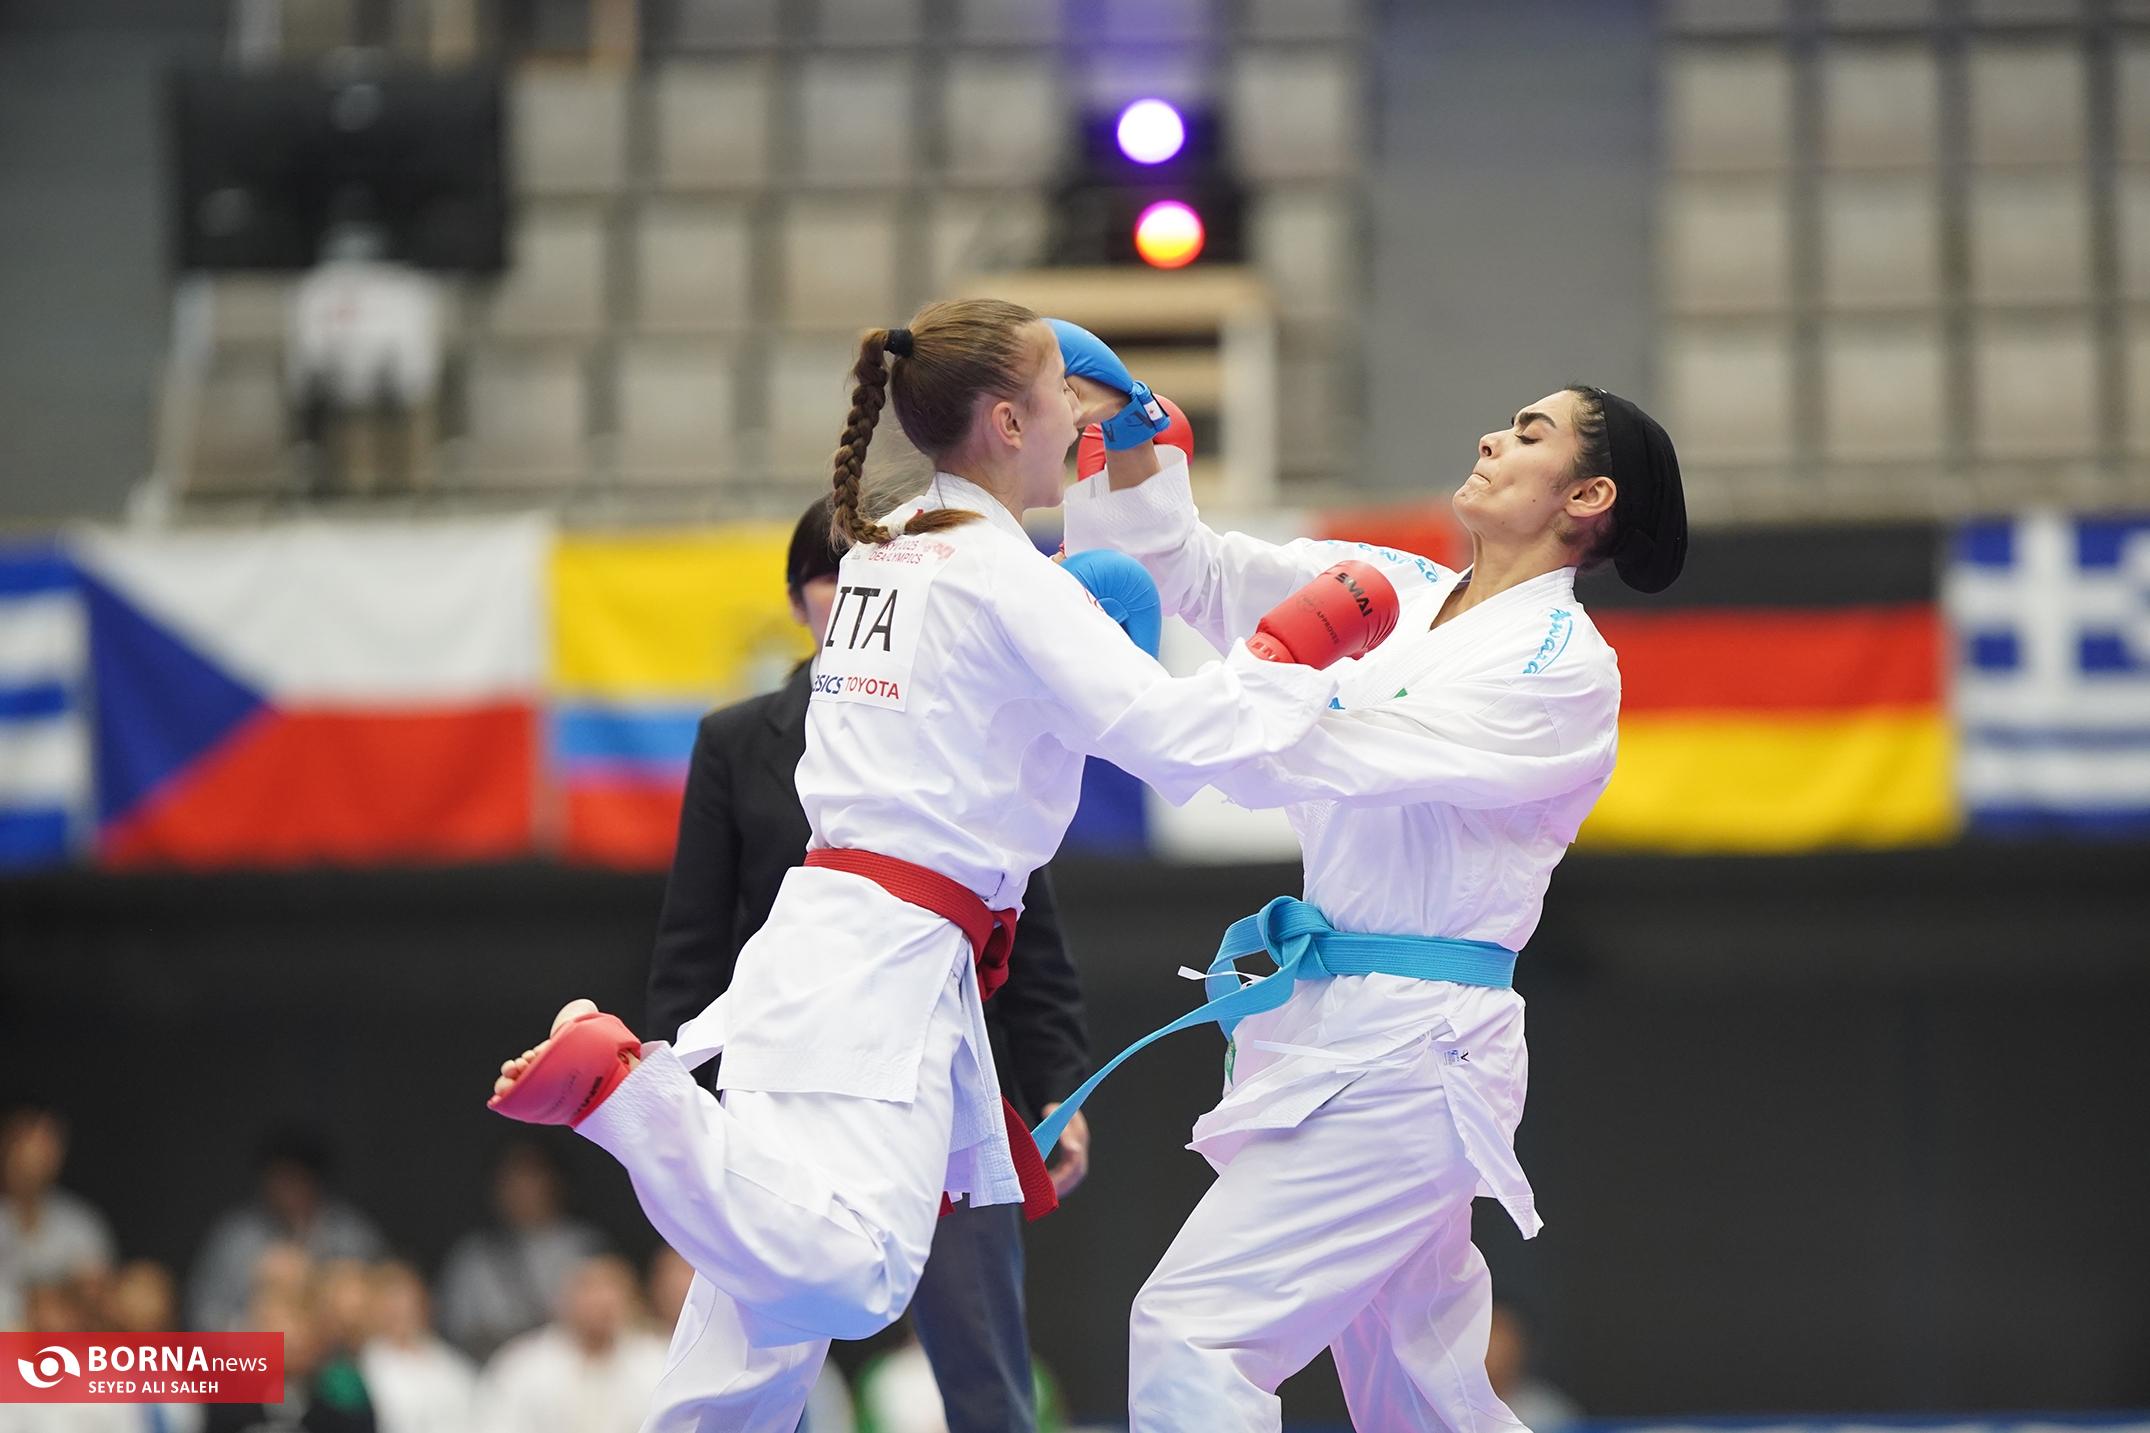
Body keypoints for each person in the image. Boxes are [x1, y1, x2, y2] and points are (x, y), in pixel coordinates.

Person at [485, 298, 1392, 1432]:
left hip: (836, 940)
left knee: (743, 1360)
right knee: (855, 1272)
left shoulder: (887, 545)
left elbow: (1004, 711)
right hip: (888, 958)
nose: (1078, 418)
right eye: (1062, 397)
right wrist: (1291, 649)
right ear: (1008, 422)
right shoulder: (999, 574)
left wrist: (1120, 468)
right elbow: (1176, 741)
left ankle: (641, 1106)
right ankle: (634, 1099)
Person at [1053, 381, 1686, 1429]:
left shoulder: (1562, 667)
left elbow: (1324, 747)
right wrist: (1133, 446)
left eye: (1530, 433)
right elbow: (1192, 574)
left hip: (1413, 1043)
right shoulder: (1393, 584)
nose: (1491, 435)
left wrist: (1270, 666)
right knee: (1420, 1390)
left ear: (1587, 495)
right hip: (1350, 1023)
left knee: (1194, 1330)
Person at [645, 493, 1094, 1433]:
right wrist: (686, 1114)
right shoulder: (739, 742)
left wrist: (1058, 1088)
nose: (854, 596)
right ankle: (624, 1105)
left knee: (983, 1371)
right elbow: (694, 944)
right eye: (831, 580)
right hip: (793, 1075)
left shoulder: (964, 722)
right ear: (799, 600)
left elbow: (1028, 934)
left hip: (944, 1070)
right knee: (760, 1362)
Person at [188, 1130, 384, 1334]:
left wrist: (319, 1281)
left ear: (315, 1181)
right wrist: (256, 1321)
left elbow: (384, 1300)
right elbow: (203, 1313)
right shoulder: (237, 1237)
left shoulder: (350, 1235)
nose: (288, 1190)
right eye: (280, 1179)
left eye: (297, 1179)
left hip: (337, 1347)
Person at [436, 1139, 606, 1360]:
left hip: (571, 1364)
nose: (524, 1189)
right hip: (495, 1367)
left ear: (556, 1182)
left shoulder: (584, 1246)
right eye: (513, 1180)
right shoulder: (473, 1257)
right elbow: (458, 1332)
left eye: (533, 1177)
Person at [473, 1256, 668, 1433]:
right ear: (564, 1298)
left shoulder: (658, 1363)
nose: (600, 1303)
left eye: (610, 1293)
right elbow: (496, 1425)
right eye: (589, 1290)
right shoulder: (521, 1364)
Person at [0, 1108, 116, 1333]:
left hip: (68, 1342)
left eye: (46, 1151)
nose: (34, 1162)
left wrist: (63, 1302)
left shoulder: (79, 1223)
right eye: (24, 1148)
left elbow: (96, 1293)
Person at [358, 1262, 478, 1433]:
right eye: (392, 1307)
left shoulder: (447, 1358)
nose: (402, 1312)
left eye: (407, 1303)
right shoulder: (367, 1363)